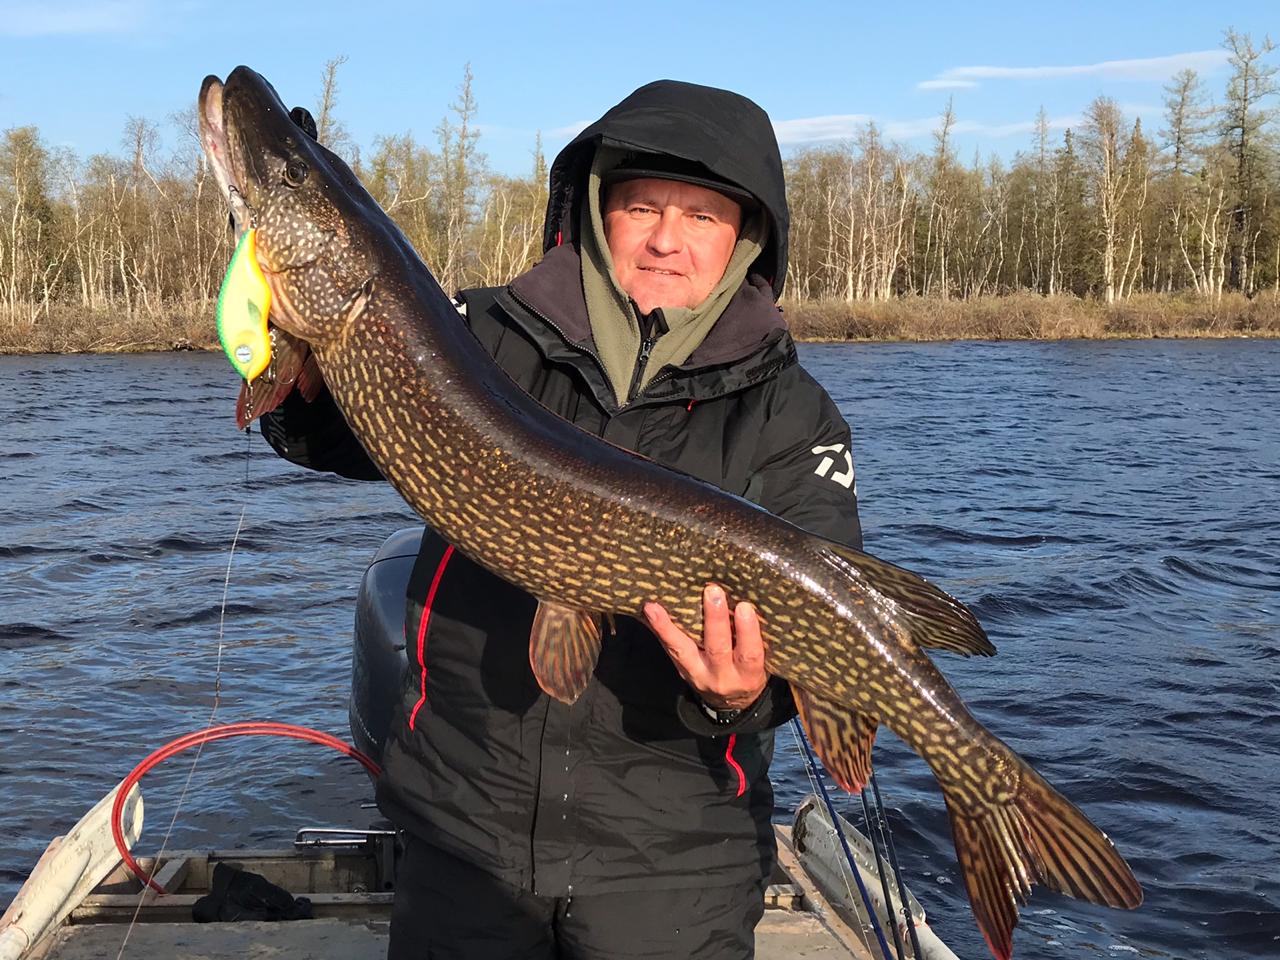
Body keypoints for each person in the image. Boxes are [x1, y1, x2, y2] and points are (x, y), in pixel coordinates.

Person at [261, 79, 863, 959]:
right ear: (594, 211)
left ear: (747, 236)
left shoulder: (795, 417)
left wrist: (742, 697)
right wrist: (292, 371)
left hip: (677, 864)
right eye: (642, 206)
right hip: (465, 834)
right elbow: (336, 436)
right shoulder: (479, 332)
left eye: (701, 215)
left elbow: (825, 624)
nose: (666, 238)